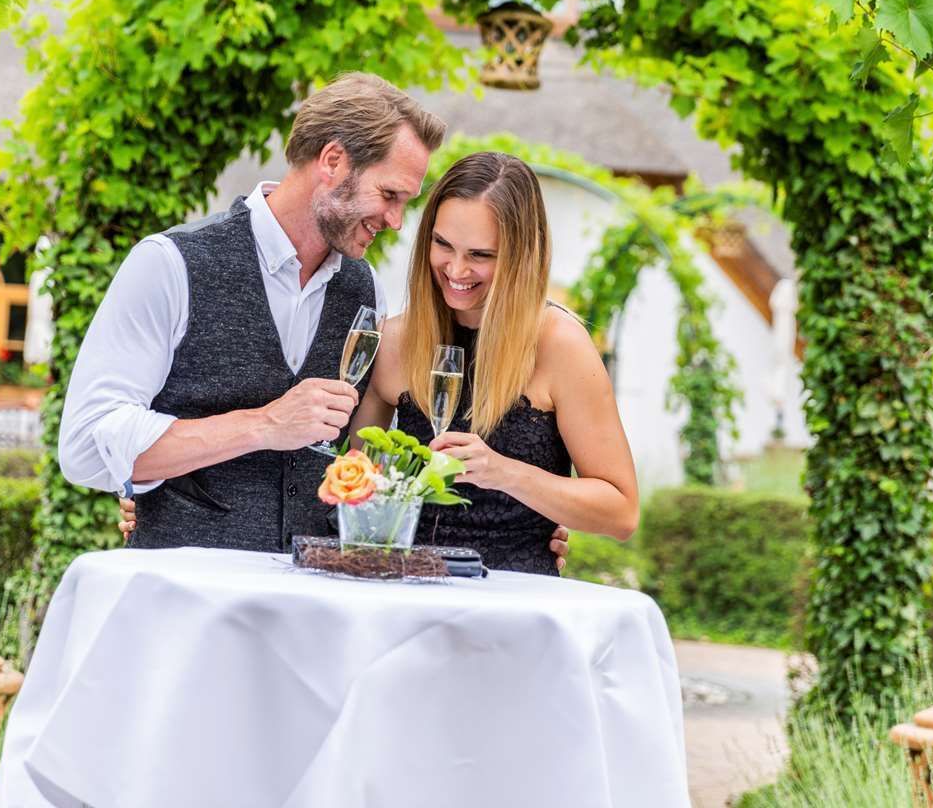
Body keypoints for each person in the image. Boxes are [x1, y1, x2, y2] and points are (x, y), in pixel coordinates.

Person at [58, 72, 441, 553]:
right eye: (389, 195)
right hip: (185, 585)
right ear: (333, 161)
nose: (396, 221)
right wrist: (265, 424)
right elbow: (86, 446)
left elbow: (367, 457)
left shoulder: (365, 291)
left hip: (311, 590)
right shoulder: (170, 263)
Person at [350, 151, 639, 574]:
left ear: (521, 255)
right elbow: (354, 484)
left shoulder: (560, 345)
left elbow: (621, 512)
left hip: (517, 596)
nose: (456, 269)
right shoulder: (396, 340)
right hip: (408, 592)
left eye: (480, 255)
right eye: (442, 244)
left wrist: (504, 473)